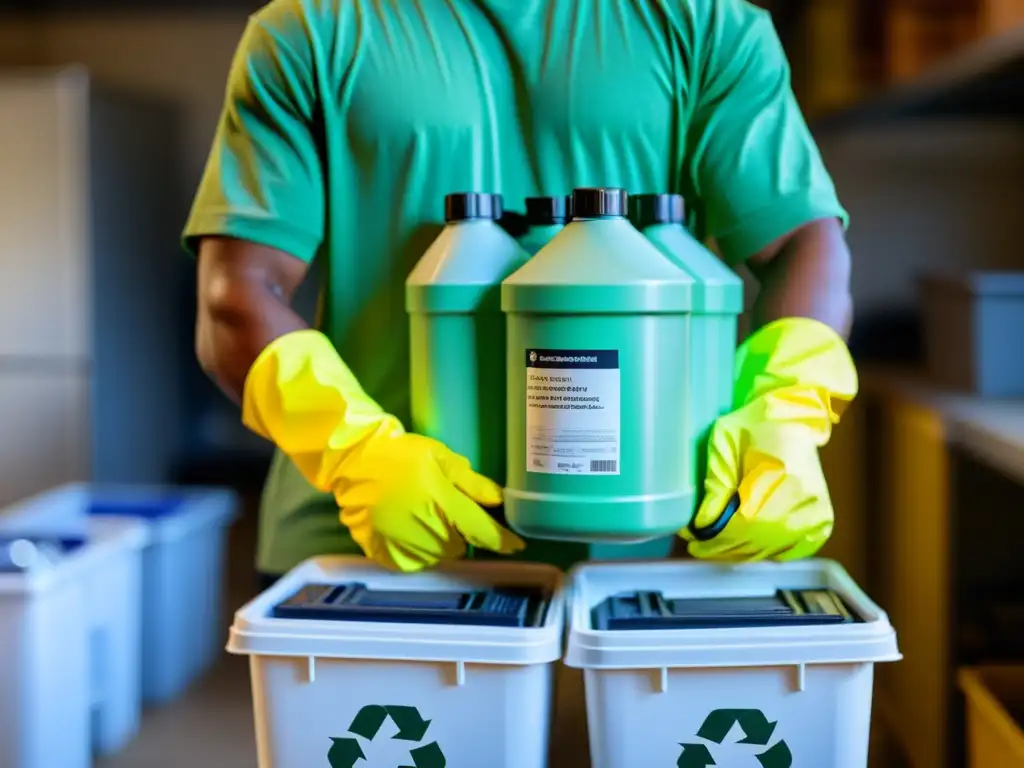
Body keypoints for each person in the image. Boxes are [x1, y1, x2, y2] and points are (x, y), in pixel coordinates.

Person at [185, 0, 858, 585]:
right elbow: (234, 295)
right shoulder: (311, 30)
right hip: (371, 539)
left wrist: (785, 414)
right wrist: (354, 453)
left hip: (652, 539)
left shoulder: (705, 26)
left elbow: (804, 242)